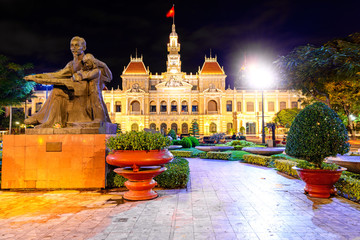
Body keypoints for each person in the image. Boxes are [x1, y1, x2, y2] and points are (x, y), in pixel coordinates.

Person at [24, 36, 112, 128]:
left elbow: (108, 75)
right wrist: (36, 76)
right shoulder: (71, 64)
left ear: (84, 47)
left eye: (77, 45)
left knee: (58, 90)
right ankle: (49, 121)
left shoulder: (89, 61)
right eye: (72, 45)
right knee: (57, 90)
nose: (74, 48)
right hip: (74, 89)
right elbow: (56, 75)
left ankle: (41, 118)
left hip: (86, 91)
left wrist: (98, 65)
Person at [72, 53, 110, 123]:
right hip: (90, 90)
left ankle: (100, 118)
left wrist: (80, 73)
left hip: (95, 90)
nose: (86, 65)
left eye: (87, 63)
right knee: (91, 105)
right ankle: (95, 118)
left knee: (97, 104)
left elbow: (88, 76)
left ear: (92, 61)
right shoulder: (91, 70)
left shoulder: (96, 71)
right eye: (85, 63)